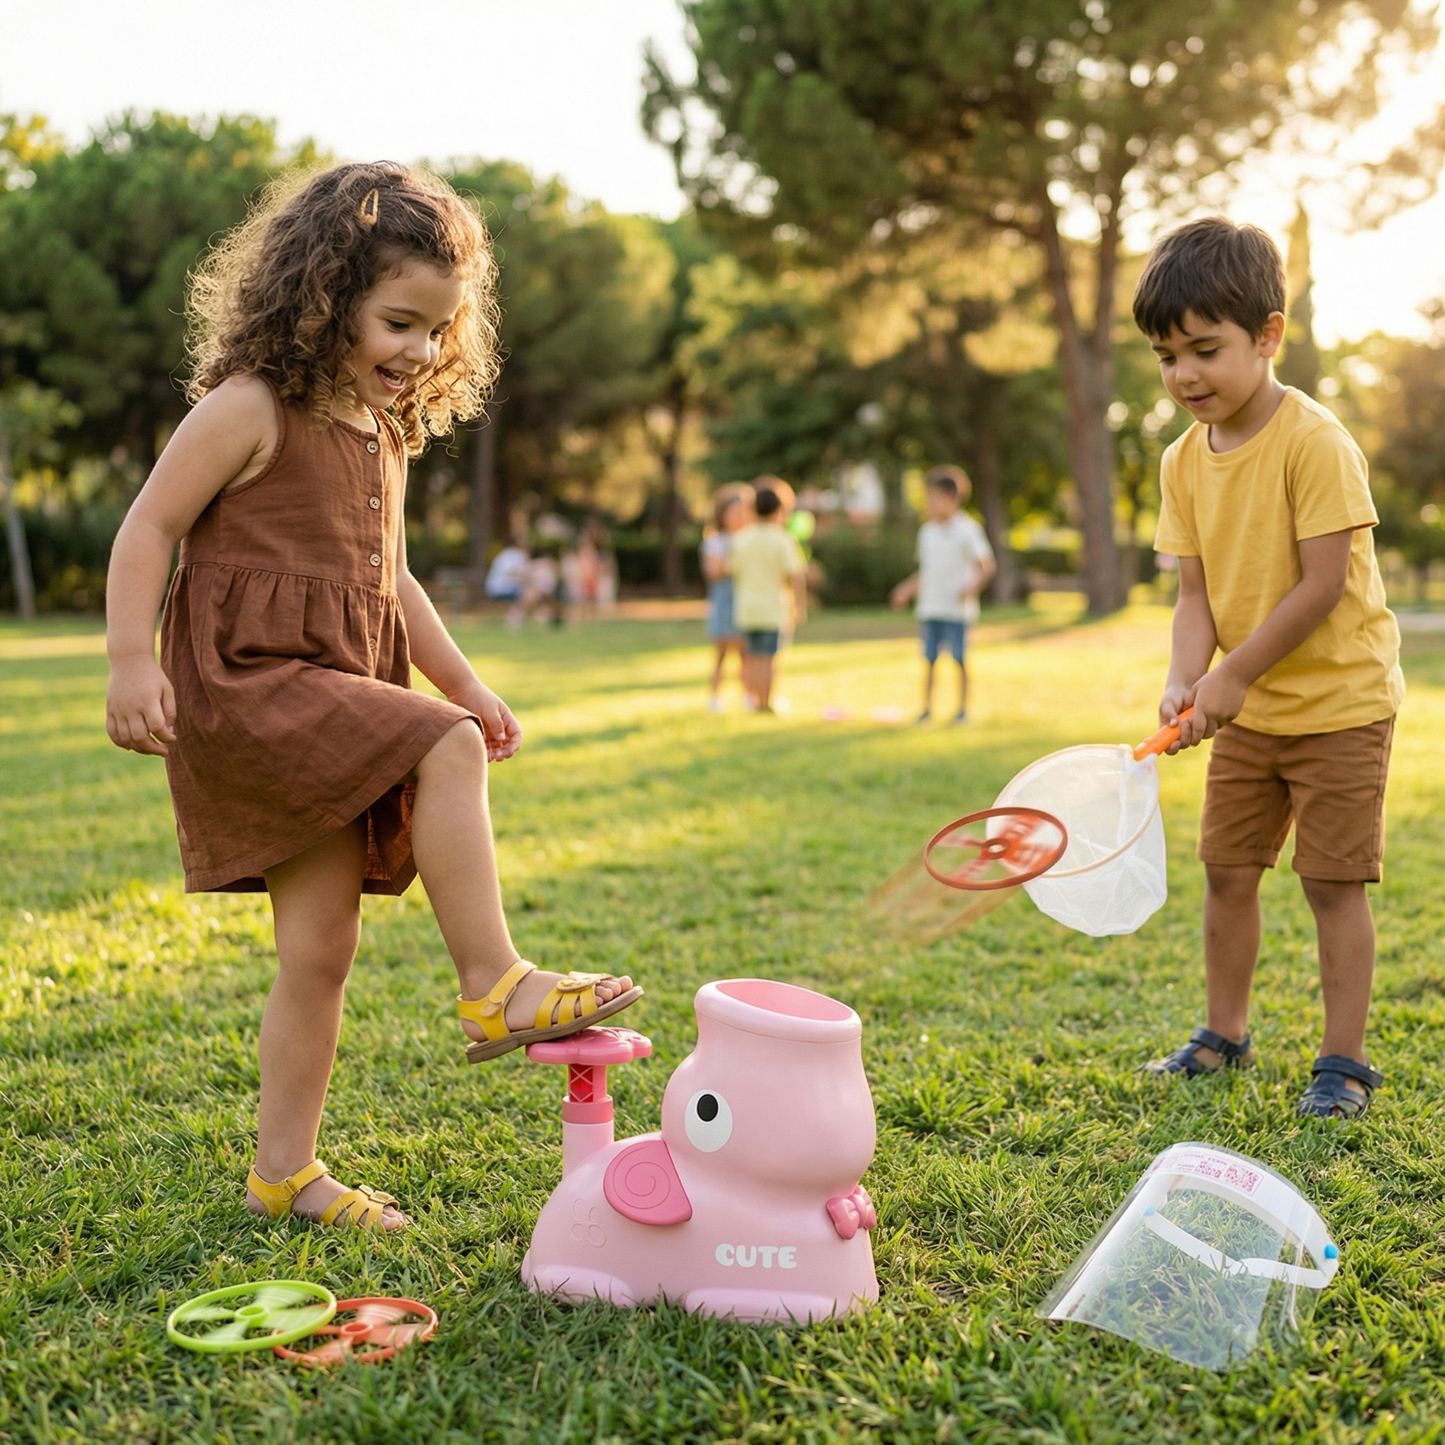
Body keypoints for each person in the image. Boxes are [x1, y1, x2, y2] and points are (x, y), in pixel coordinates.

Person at [103, 162, 640, 1232]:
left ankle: (283, 1173)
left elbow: (389, 578)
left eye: (438, 331)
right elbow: (148, 527)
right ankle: (495, 980)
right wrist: (129, 658)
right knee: (440, 744)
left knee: (319, 949)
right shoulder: (247, 408)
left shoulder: (382, 436)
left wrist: (466, 679)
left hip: (332, 689)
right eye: (398, 321)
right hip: (252, 684)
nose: (420, 352)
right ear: (321, 293)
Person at [1132, 216, 1402, 1119]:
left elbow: (1322, 585)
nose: (1184, 376)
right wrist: (1187, 676)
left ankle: (1343, 1061)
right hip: (1248, 710)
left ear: (1269, 335)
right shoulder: (1180, 461)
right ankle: (1223, 1032)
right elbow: (1192, 597)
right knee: (1226, 868)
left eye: (1204, 350)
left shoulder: (1313, 441)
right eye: (1167, 357)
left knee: (1330, 882)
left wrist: (1234, 674)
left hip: (1338, 703)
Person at [889, 466, 996, 724]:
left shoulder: (968, 529)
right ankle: (927, 709)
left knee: (959, 659)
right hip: (930, 608)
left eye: (933, 498)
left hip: (957, 611)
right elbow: (925, 572)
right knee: (929, 660)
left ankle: (962, 710)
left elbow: (987, 566)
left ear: (950, 498)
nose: (929, 504)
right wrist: (905, 590)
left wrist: (972, 587)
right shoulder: (927, 532)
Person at [729, 484, 807, 712]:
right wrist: (799, 606)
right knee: (768, 659)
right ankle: (766, 702)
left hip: (746, 608)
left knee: (752, 658)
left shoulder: (742, 539)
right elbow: (795, 577)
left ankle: (753, 700)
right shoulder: (782, 539)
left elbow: (732, 569)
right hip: (772, 608)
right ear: (779, 511)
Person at [700, 483, 754, 711]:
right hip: (723, 601)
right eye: (734, 512)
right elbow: (713, 572)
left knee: (746, 654)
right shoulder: (715, 541)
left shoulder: (750, 539)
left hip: (745, 601)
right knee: (721, 654)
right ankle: (715, 697)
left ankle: (748, 695)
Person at [484, 537, 529, 629]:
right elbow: (514, 574)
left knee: (528, 593)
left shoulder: (509, 554)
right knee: (527, 594)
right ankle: (513, 623)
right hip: (500, 589)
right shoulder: (514, 555)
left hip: (499, 588)